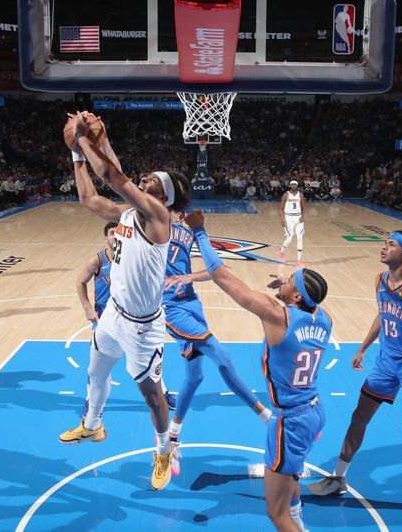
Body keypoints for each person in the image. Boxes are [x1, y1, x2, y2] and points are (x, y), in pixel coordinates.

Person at [57, 112, 191, 492]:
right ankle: (93, 425)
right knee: (96, 373)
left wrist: (82, 137)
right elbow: (88, 195)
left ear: (163, 196)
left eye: (149, 181)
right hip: (113, 315)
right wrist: (78, 155)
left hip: (145, 327)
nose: (141, 179)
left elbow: (114, 177)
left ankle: (164, 449)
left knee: (152, 396)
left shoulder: (159, 217)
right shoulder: (127, 213)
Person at [184, 209, 330, 532]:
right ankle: (300, 523)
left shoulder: (278, 315)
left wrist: (199, 232)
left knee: (276, 515)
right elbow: (312, 300)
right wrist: (289, 288)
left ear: (294, 297)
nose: (285, 277)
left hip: (289, 421)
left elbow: (221, 275)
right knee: (290, 475)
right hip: (314, 411)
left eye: (290, 278)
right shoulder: (324, 318)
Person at [307, 230, 402, 526]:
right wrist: (363, 347)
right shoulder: (380, 280)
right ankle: (338, 478)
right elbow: (383, 314)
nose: (384, 247)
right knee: (359, 416)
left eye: (391, 245)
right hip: (385, 360)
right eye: (385, 243)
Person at [162, 210, 272, 476]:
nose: (176, 213)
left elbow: (214, 270)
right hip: (168, 307)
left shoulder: (187, 231)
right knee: (221, 354)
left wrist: (189, 277)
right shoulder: (151, 228)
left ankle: (170, 439)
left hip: (191, 303)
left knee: (196, 375)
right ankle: (267, 417)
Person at [76, 221, 178, 416]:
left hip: (132, 319)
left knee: (150, 360)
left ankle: (162, 393)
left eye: (118, 233)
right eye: (112, 233)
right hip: (106, 320)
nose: (115, 237)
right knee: (97, 368)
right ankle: (91, 399)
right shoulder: (97, 261)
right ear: (106, 238)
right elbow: (80, 282)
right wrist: (87, 307)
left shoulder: (133, 258)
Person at [279, 180, 305, 266]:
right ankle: (281, 251)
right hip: (288, 217)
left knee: (300, 237)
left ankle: (299, 260)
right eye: (292, 184)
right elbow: (281, 208)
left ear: (297, 186)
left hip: (298, 218)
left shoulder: (300, 195)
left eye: (295, 184)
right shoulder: (286, 194)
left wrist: (302, 216)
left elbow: (303, 208)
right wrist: (282, 219)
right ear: (290, 185)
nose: (293, 185)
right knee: (290, 238)